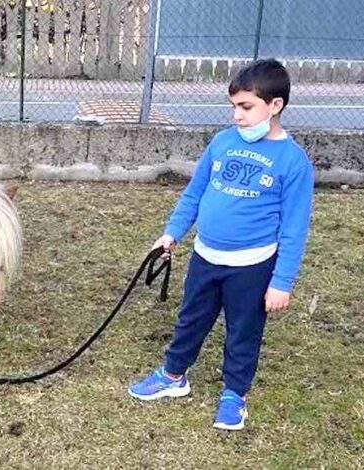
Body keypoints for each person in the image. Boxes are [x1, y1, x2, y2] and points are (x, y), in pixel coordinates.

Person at [128, 58, 314, 431]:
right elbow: (194, 194)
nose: (237, 116)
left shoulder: (294, 163)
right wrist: (171, 233)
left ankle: (234, 395)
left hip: (252, 267)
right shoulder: (222, 142)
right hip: (205, 257)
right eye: (234, 107)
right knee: (190, 319)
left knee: (243, 330)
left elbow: (294, 229)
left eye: (246, 107)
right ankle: (173, 376)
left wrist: (281, 283)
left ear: (275, 106)